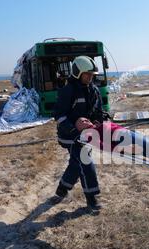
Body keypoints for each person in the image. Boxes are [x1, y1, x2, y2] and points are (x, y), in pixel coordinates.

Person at [52, 56, 110, 211]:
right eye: (87, 74)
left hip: (87, 134)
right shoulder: (67, 91)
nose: (90, 77)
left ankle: (62, 188)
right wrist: (74, 128)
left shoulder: (94, 90)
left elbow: (98, 111)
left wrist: (99, 121)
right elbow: (59, 116)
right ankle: (92, 198)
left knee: (76, 163)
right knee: (85, 161)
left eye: (92, 75)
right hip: (69, 136)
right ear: (77, 73)